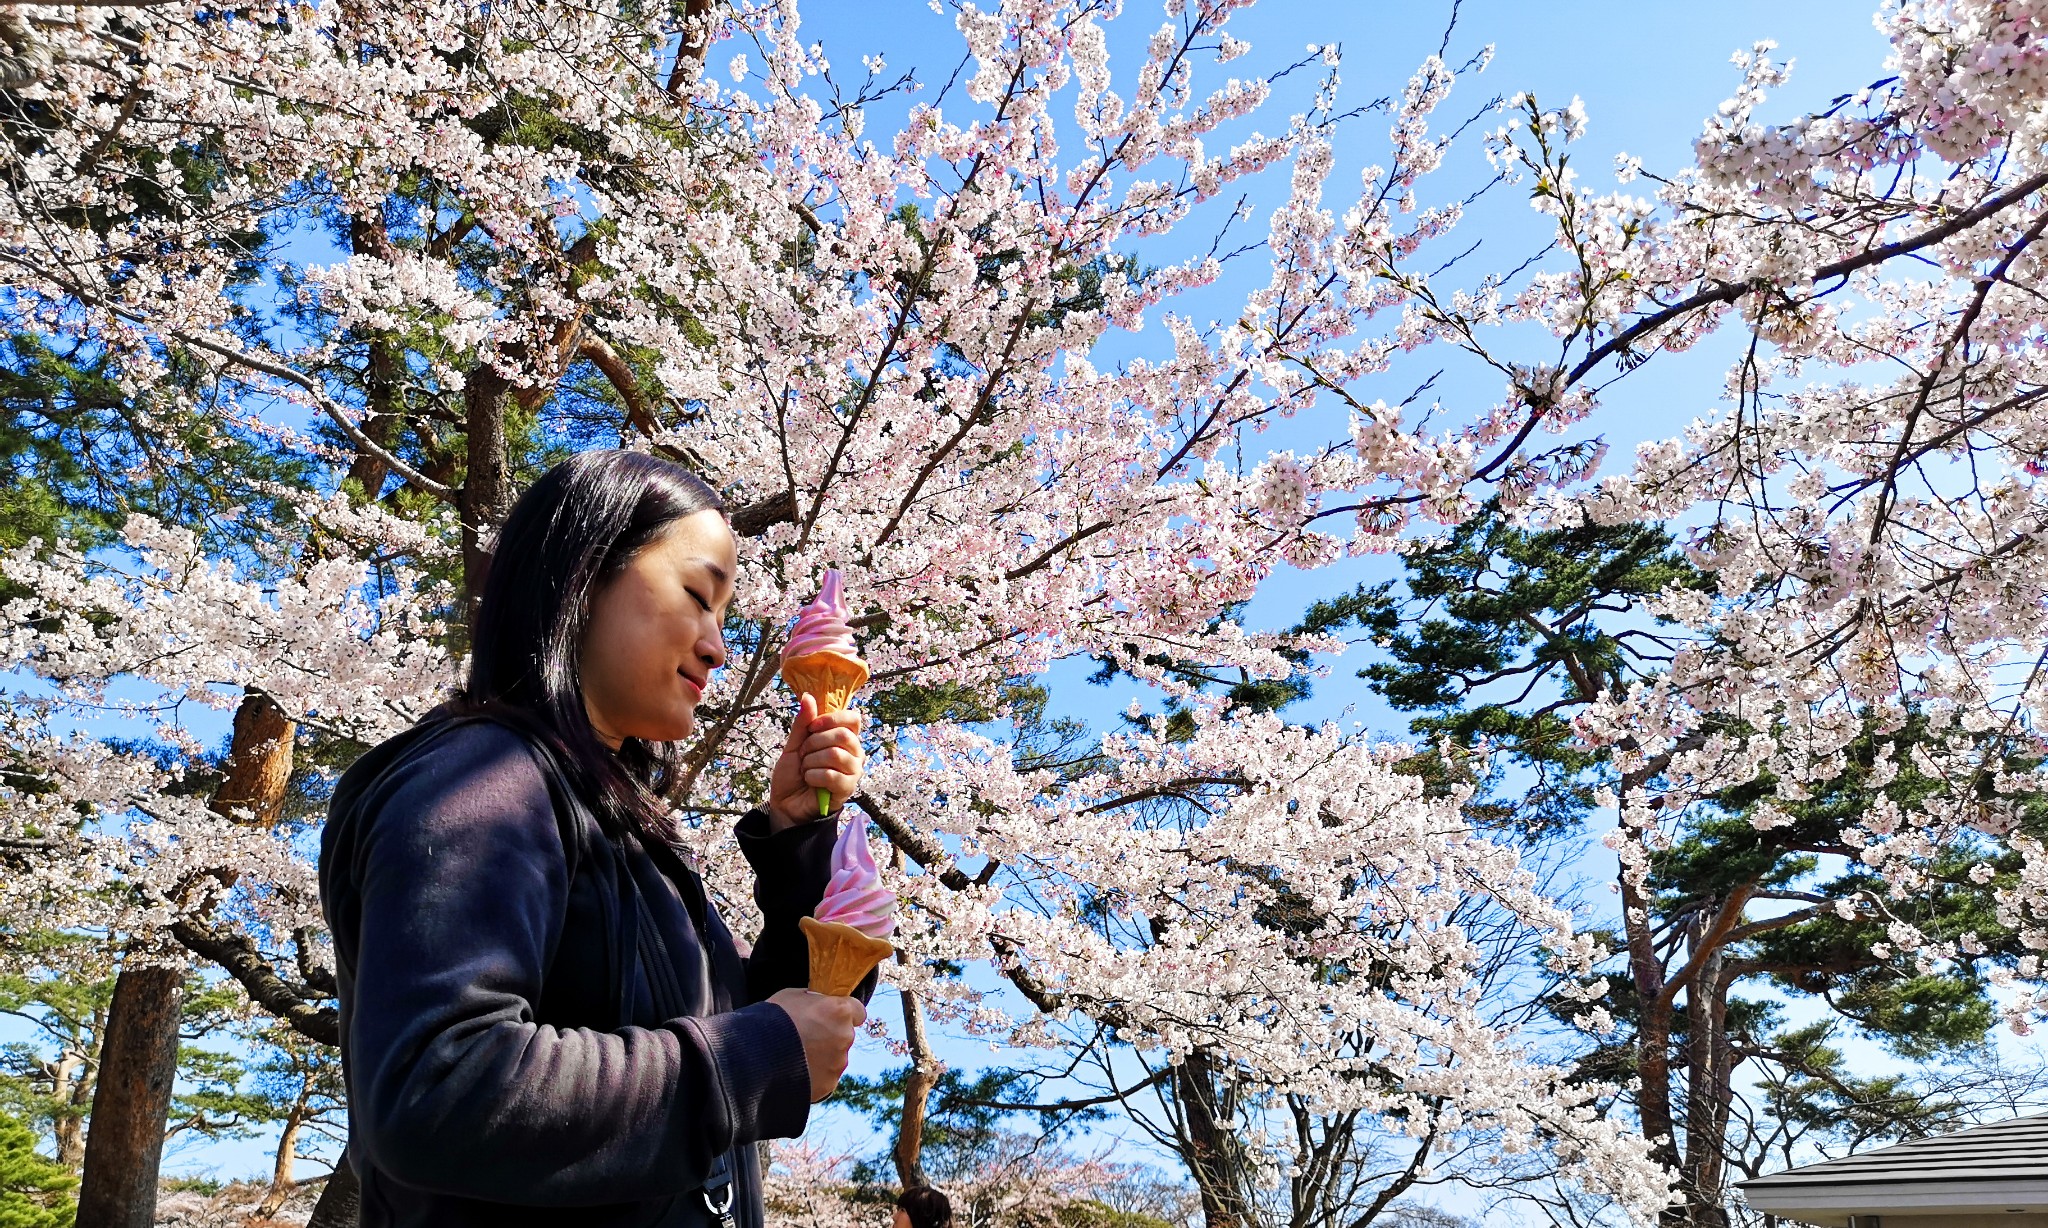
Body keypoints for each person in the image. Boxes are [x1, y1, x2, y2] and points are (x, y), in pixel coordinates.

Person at [318, 450, 873, 1228]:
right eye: (695, 595)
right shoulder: (483, 778)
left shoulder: (623, 829)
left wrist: (796, 838)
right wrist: (745, 1063)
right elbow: (435, 1084)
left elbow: (767, 1014)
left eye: (725, 615)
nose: (718, 646)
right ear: (583, 577)